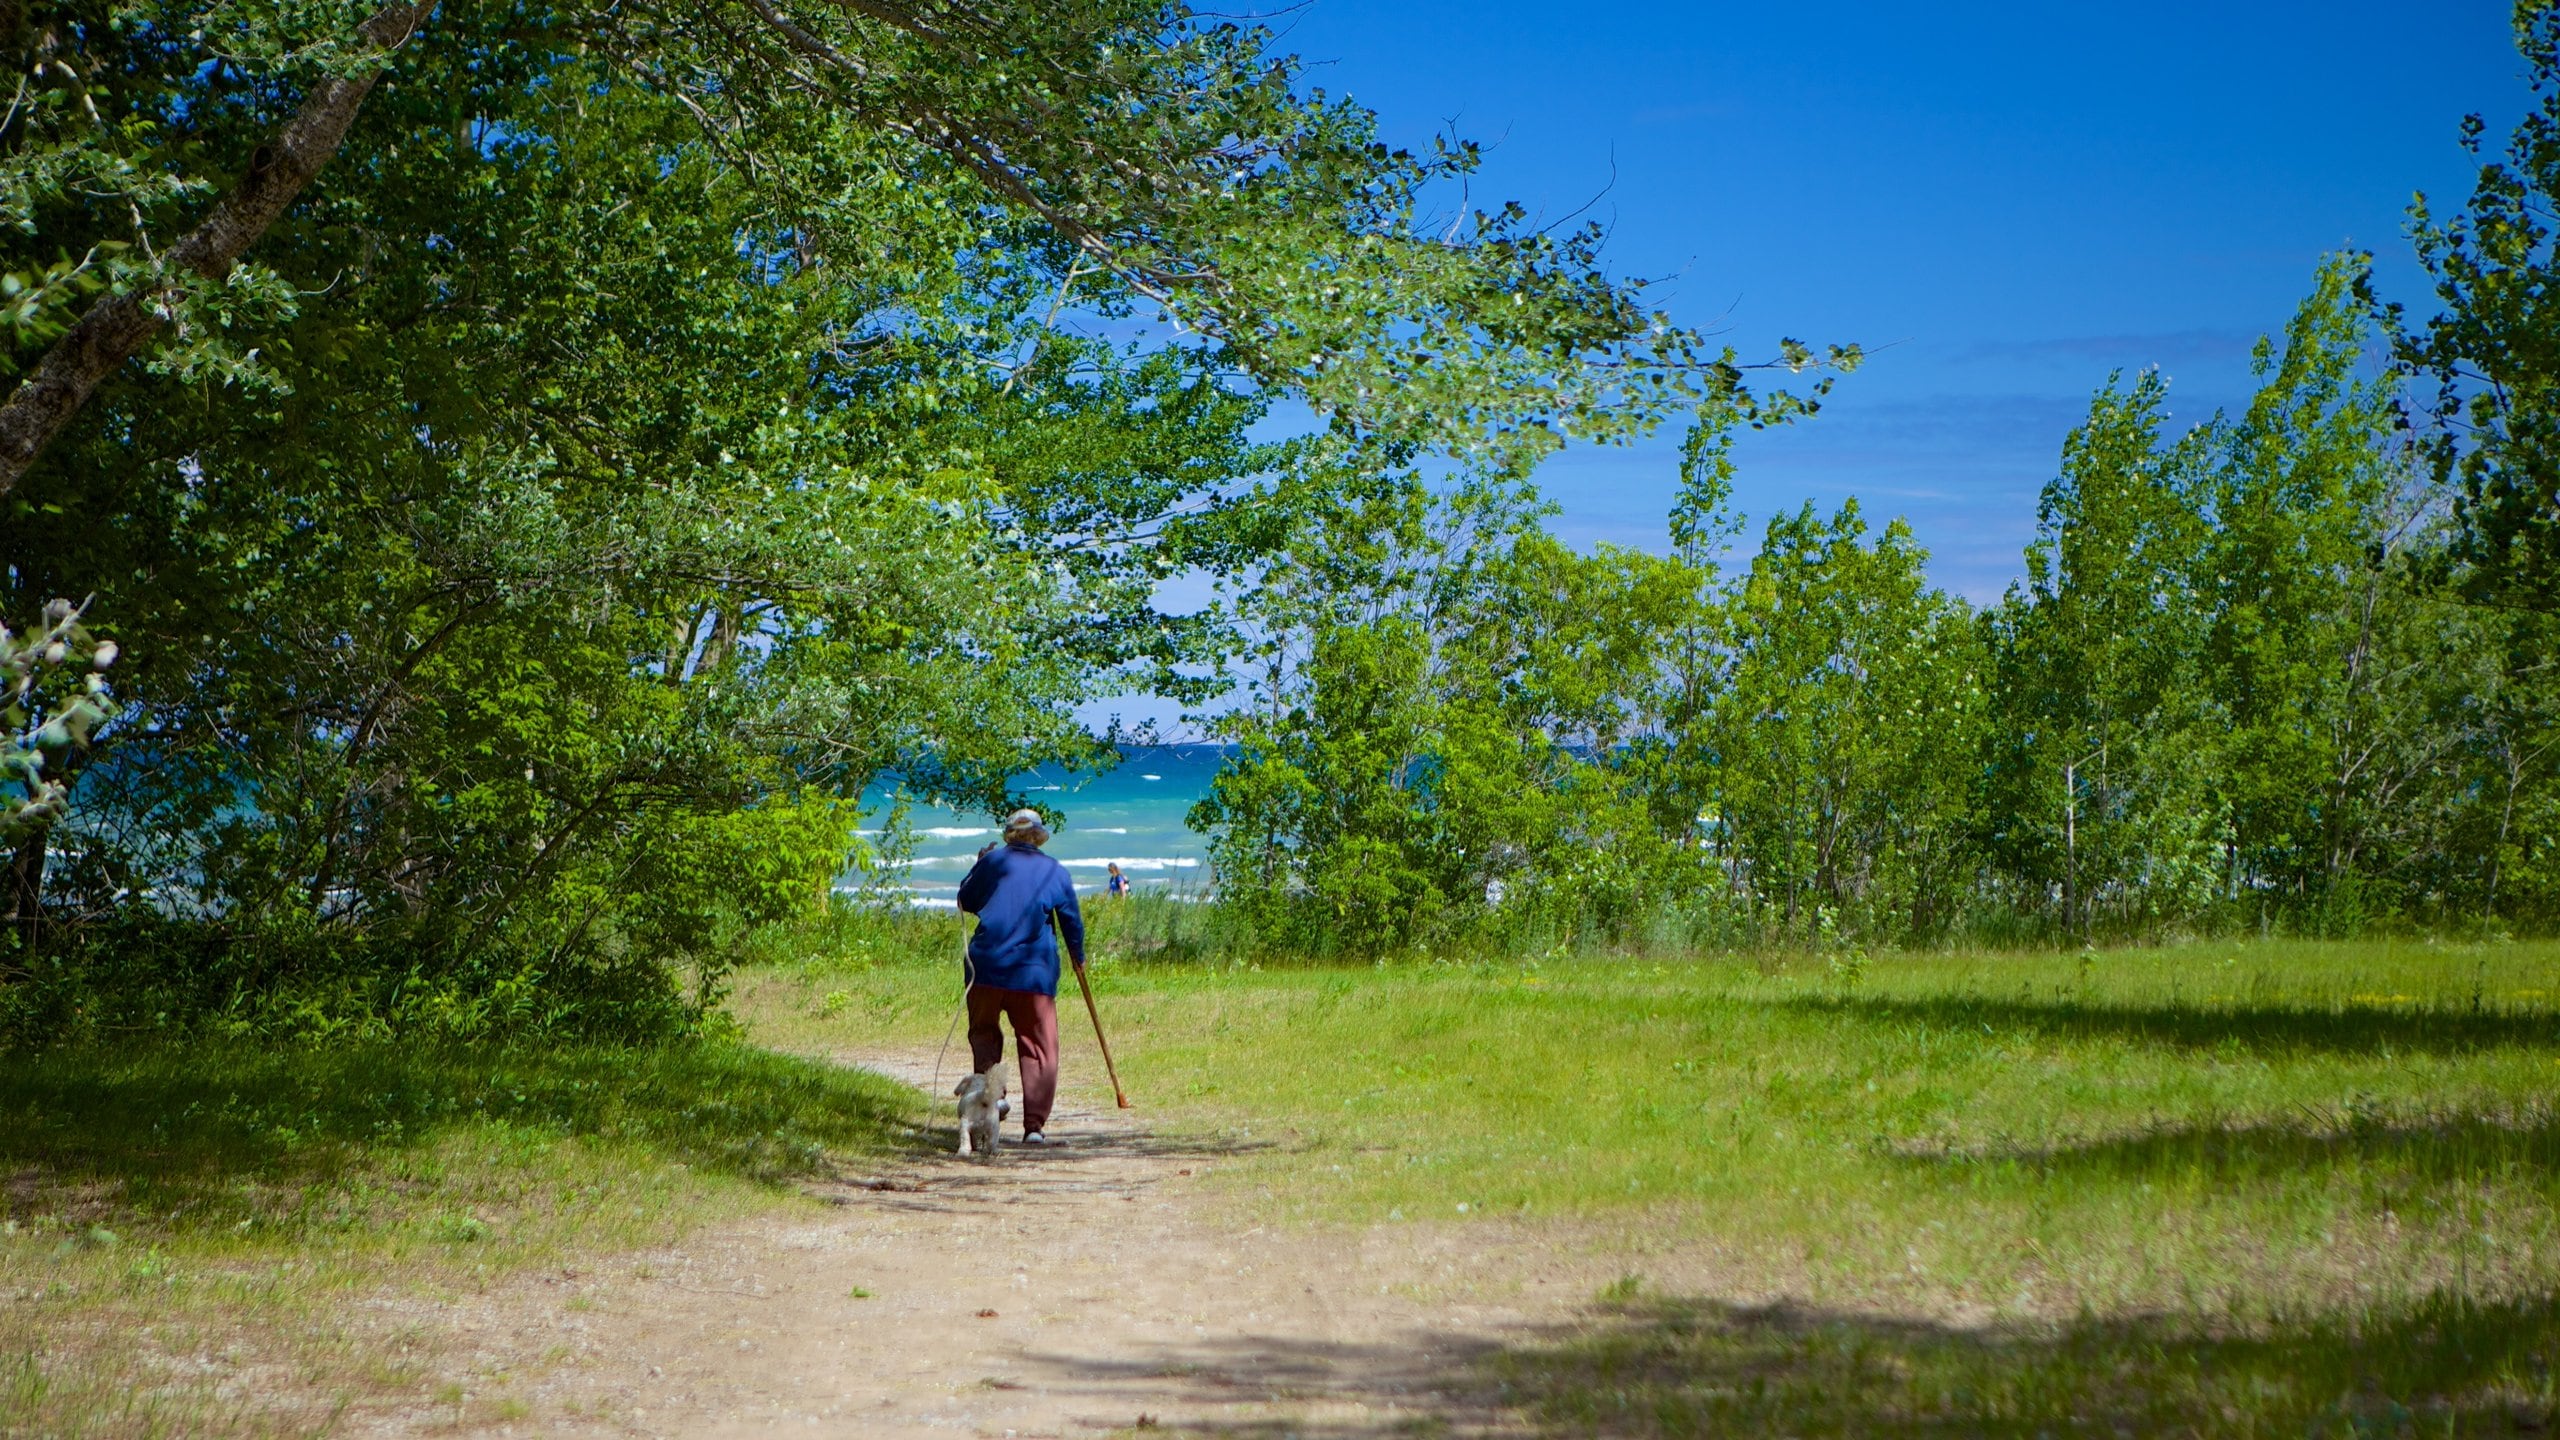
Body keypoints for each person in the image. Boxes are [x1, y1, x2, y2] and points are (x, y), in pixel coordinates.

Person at [955, 807, 1086, 1144]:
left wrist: (980, 864)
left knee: (984, 1033)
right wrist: (1078, 957)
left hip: (985, 966)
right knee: (1039, 1046)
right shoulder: (1054, 870)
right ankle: (1034, 1128)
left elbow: (966, 899)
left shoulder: (992, 862)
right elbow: (1071, 920)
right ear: (1038, 837)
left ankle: (992, 1099)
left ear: (1009, 835)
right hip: (1034, 973)